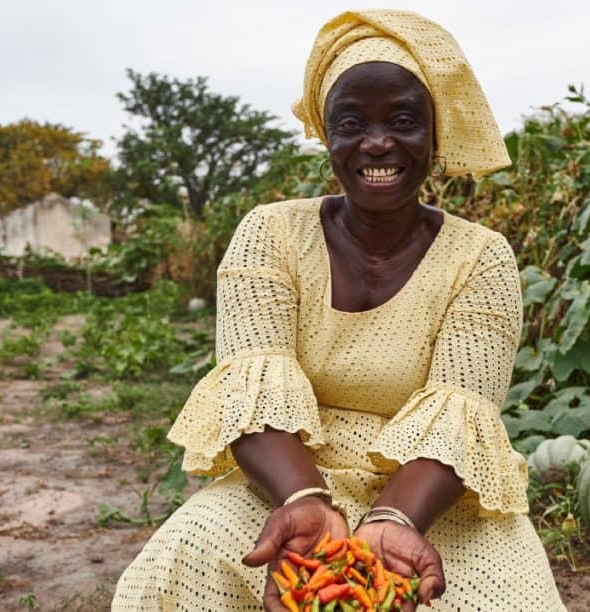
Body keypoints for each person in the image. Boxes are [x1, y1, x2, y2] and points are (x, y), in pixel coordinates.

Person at [112, 9, 565, 611]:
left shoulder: (479, 258)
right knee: (184, 558)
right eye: (351, 122)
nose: (377, 142)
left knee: (508, 599)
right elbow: (251, 392)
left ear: (436, 133)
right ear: (328, 135)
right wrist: (306, 503)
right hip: (290, 473)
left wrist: (395, 519)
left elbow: (463, 418)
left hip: (427, 488)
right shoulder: (271, 234)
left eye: (403, 119)